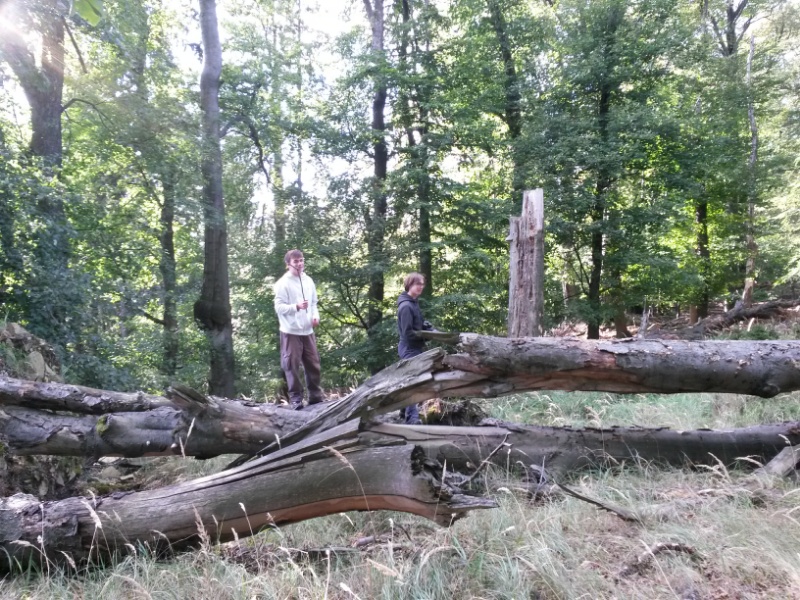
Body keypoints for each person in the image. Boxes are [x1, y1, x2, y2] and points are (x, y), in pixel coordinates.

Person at [274, 249, 324, 410]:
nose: (300, 264)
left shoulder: (308, 280)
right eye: (296, 261)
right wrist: (296, 307)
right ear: (288, 264)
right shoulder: (283, 283)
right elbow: (279, 307)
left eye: (301, 260)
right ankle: (296, 399)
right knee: (291, 365)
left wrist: (315, 317)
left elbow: (314, 303)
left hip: (308, 330)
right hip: (290, 331)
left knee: (313, 364)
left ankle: (315, 397)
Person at [397, 272, 434, 424]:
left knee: (411, 381)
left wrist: (426, 327)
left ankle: (403, 411)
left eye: (422, 284)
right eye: (417, 284)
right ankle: (411, 419)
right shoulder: (406, 306)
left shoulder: (413, 303)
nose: (421, 287)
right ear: (409, 284)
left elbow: (417, 325)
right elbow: (408, 334)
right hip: (409, 348)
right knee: (414, 382)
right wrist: (425, 336)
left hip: (414, 348)